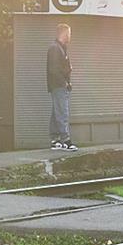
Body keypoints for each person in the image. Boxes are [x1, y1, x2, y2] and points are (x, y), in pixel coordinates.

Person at [46, 22, 74, 151]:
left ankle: (55, 140)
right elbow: (53, 69)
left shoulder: (61, 48)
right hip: (58, 85)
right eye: (69, 34)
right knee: (62, 112)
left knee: (56, 112)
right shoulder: (55, 48)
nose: (70, 36)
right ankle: (66, 141)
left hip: (60, 84)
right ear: (63, 34)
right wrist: (64, 82)